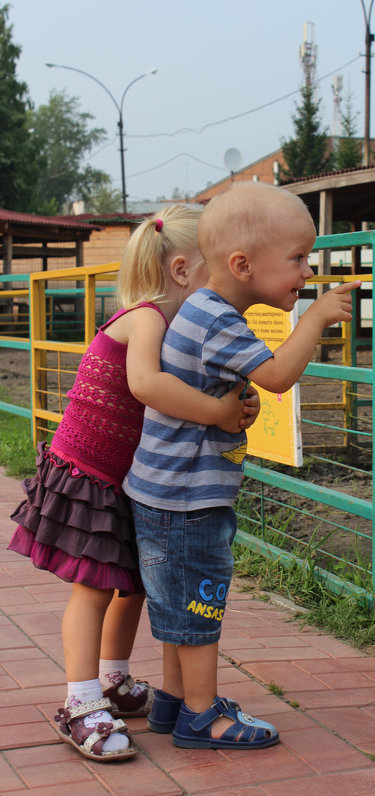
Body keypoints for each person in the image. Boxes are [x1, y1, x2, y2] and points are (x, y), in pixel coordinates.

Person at [8, 204, 259, 762]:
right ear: (181, 271)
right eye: (216, 272)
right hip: (89, 474)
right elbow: (145, 384)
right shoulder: (146, 318)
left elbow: (200, 394)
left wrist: (235, 405)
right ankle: (79, 701)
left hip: (132, 480)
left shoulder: (186, 329)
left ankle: (114, 680)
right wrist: (216, 413)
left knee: (133, 584)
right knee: (94, 587)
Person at [124, 183, 361, 751]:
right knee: (201, 602)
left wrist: (235, 409)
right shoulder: (218, 320)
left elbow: (225, 392)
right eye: (298, 259)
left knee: (181, 605)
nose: (306, 273)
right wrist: (317, 319)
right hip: (187, 500)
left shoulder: (207, 311)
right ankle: (202, 718)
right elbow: (278, 376)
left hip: (167, 494)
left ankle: (176, 704)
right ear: (242, 264)